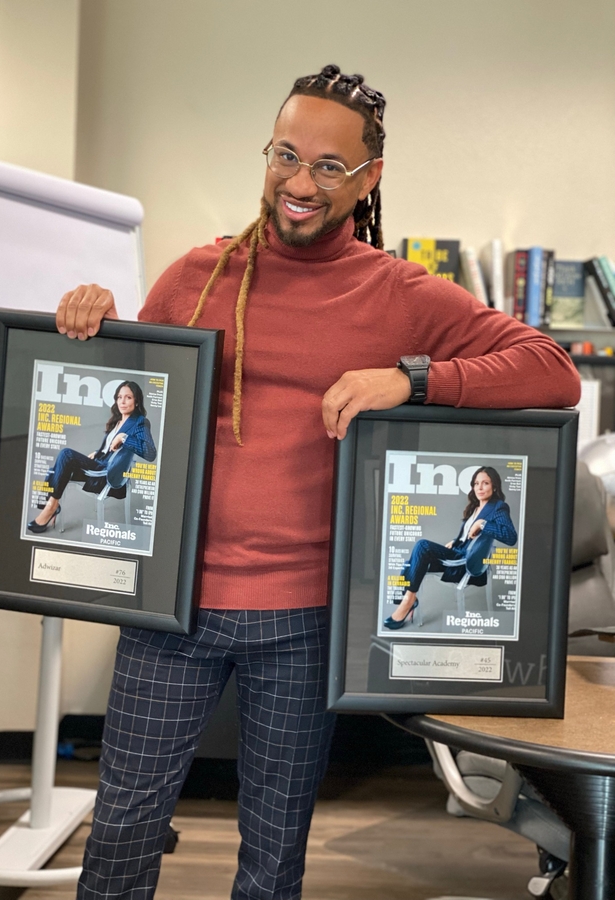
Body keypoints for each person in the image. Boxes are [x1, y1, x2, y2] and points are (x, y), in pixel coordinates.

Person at [55, 65, 580, 900]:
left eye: (329, 166)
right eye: (285, 155)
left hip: (302, 620)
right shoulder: (196, 276)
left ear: (369, 178)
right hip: (170, 608)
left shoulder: (399, 292)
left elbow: (552, 371)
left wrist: (410, 379)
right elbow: (135, 402)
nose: (300, 183)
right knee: (121, 829)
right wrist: (89, 322)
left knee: (275, 854)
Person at [384, 466, 517, 630]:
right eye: (476, 484)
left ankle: (408, 601)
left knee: (422, 545)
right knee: (411, 563)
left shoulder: (498, 507)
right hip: (457, 552)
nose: (480, 488)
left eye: (485, 483)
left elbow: (511, 537)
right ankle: (408, 599)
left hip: (466, 561)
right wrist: (455, 541)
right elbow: (468, 537)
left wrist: (482, 523)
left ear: (494, 486)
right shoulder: (475, 508)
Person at [27, 380, 156, 533]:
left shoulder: (140, 422)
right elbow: (110, 449)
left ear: (137, 401)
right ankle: (51, 505)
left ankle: (51, 507)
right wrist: (98, 452)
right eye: (119, 397)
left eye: (128, 397)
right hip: (100, 463)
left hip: (108, 473)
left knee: (66, 454)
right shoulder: (118, 420)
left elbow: (150, 453)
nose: (122, 401)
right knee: (55, 470)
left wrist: (124, 437)